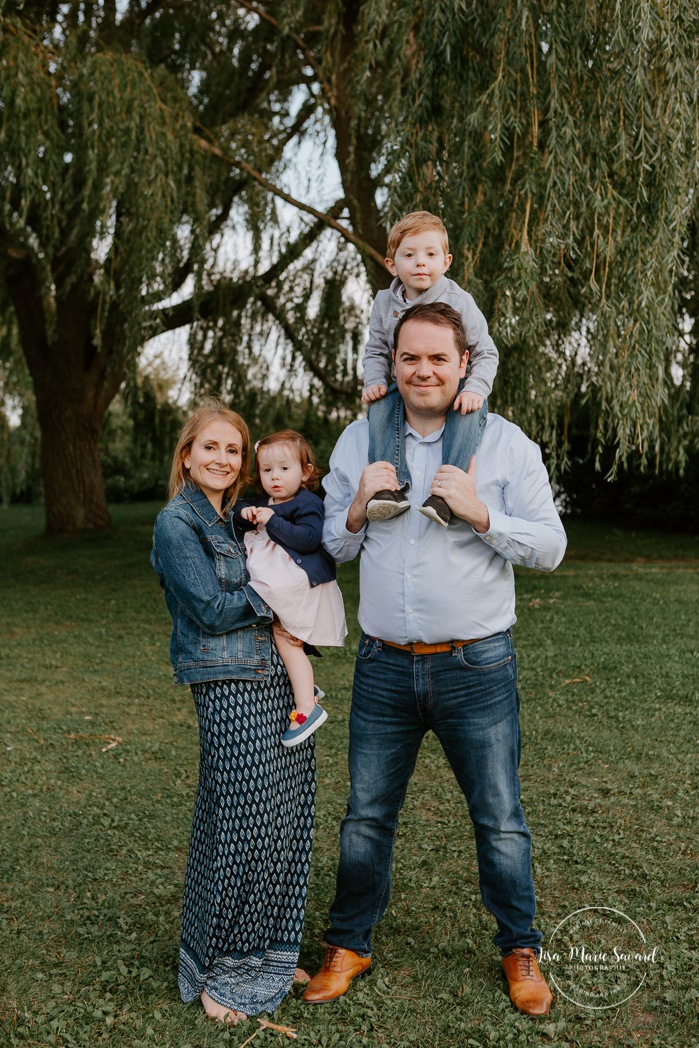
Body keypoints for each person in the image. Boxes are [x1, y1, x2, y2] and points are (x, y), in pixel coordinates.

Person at [303, 303, 567, 1017]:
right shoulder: (359, 440)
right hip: (383, 666)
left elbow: (550, 547)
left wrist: (480, 513)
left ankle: (519, 945)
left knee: (499, 817)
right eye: (410, 358)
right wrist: (356, 506)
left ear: (462, 365)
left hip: (475, 666)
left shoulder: (504, 445)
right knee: (365, 816)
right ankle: (348, 943)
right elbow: (332, 545)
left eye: (437, 359)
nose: (423, 371)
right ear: (393, 363)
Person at [151, 402, 316, 1025]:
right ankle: (226, 964)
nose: (222, 460)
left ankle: (269, 953)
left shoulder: (237, 521)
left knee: (282, 816)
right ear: (187, 455)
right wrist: (281, 597)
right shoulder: (178, 523)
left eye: (232, 450)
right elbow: (213, 610)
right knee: (241, 820)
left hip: (272, 678)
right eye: (210, 448)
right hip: (227, 684)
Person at [362, 210, 499, 527]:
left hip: (456, 385)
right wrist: (374, 381)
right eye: (409, 255)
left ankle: (447, 493)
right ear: (392, 265)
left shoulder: (459, 300)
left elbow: (485, 350)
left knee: (467, 414)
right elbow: (376, 349)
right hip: (405, 381)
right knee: (380, 408)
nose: (420, 262)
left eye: (430, 254)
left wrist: (476, 388)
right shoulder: (385, 302)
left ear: (446, 261)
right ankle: (391, 488)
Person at [234, 429, 347, 747]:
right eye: (267, 470)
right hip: (281, 581)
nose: (275, 477)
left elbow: (309, 539)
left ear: (306, 472)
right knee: (280, 636)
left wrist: (272, 521)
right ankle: (304, 686)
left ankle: (307, 709)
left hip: (297, 581)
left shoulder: (308, 502)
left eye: (284, 469)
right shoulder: (263, 502)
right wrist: (244, 514)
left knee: (287, 641)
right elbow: (238, 512)